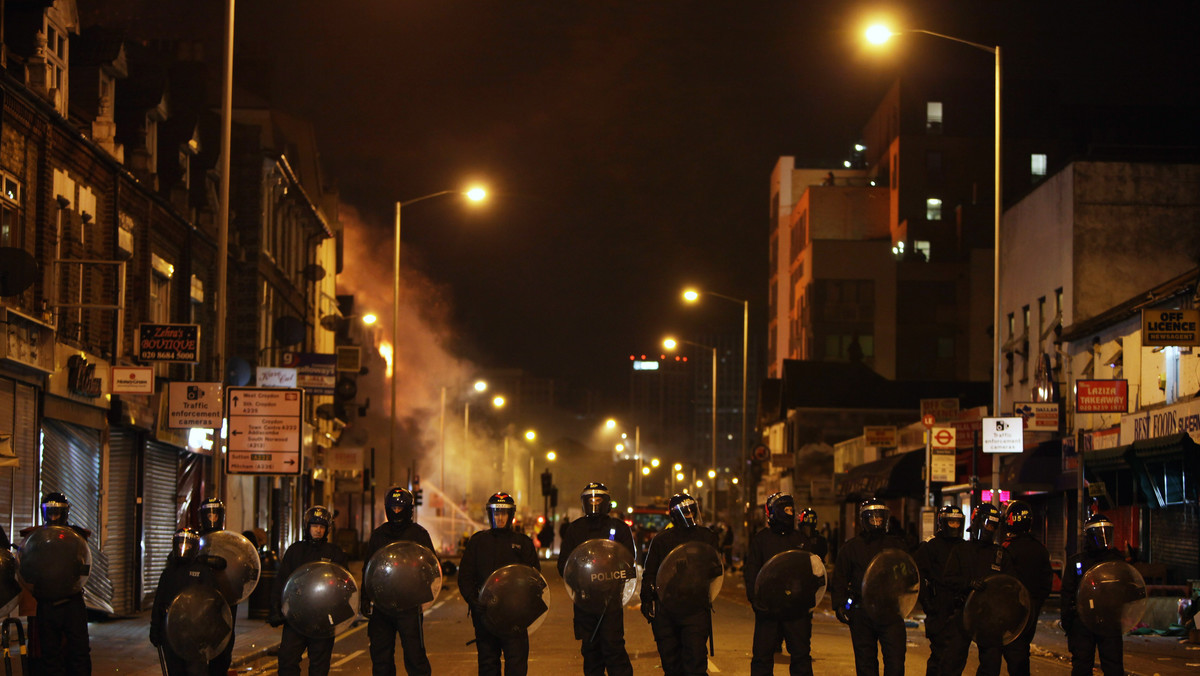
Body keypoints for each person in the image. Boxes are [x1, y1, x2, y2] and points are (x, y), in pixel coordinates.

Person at [458, 492, 541, 676]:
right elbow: (465, 576)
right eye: (496, 513)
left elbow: (535, 579)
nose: (500, 517)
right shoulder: (478, 542)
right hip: (485, 615)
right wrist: (474, 601)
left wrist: (523, 605)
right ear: (490, 514)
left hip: (515, 617)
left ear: (511, 515)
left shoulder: (523, 543)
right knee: (488, 665)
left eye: (504, 513)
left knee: (517, 666)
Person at [558, 482, 635, 676]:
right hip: (585, 599)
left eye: (598, 500)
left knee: (613, 647)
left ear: (606, 502)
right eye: (590, 500)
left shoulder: (619, 528)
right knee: (591, 650)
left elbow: (628, 562)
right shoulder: (575, 530)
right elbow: (564, 565)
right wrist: (580, 579)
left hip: (610, 599)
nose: (594, 504)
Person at [640, 493, 721, 676]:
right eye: (685, 511)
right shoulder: (662, 540)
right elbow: (651, 572)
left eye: (692, 510)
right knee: (671, 662)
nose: (690, 515)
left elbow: (716, 568)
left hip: (695, 606)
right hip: (667, 606)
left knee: (695, 660)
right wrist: (647, 597)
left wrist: (696, 569)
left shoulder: (707, 537)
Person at [744, 492, 821, 676]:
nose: (789, 513)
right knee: (762, 657)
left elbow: (812, 572)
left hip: (796, 609)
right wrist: (756, 601)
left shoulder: (800, 539)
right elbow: (751, 572)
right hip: (768, 609)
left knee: (801, 657)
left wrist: (808, 600)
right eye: (785, 509)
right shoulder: (761, 540)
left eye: (791, 509)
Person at [830, 498, 909, 676]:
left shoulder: (896, 545)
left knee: (895, 662)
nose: (877, 522)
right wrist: (840, 605)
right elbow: (840, 578)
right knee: (866, 664)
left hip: (891, 610)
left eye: (880, 518)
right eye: (872, 518)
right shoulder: (851, 548)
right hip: (861, 610)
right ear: (864, 520)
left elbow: (907, 573)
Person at [362, 487, 434, 676]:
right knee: (381, 658)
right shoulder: (379, 535)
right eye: (393, 508)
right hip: (382, 604)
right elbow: (368, 568)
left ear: (409, 509)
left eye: (400, 508)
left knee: (415, 656)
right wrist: (364, 597)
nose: (396, 512)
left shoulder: (419, 535)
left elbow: (431, 566)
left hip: (409, 605)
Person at [270, 506, 349, 676]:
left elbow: (345, 585)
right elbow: (282, 580)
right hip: (296, 616)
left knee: (319, 667)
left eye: (321, 527)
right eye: (314, 526)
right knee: (287, 661)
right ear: (307, 527)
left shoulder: (334, 553)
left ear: (327, 529)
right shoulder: (295, 551)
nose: (318, 530)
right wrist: (275, 607)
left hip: (322, 619)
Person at [21, 492, 93, 675]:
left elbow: (84, 565)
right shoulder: (36, 538)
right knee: (49, 655)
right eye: (50, 512)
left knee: (79, 652)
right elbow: (26, 568)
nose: (53, 516)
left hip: (72, 601)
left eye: (57, 512)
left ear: (65, 513)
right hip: (46, 602)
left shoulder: (76, 537)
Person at [942, 503, 1015, 676]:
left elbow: (1010, 584)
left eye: (993, 525)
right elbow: (949, 578)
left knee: (991, 663)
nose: (989, 529)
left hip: (989, 617)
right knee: (952, 660)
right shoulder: (961, 549)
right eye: (987, 524)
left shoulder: (1000, 554)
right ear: (977, 522)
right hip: (963, 612)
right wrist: (968, 583)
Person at [149, 528, 226, 675]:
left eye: (188, 545)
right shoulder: (169, 573)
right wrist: (155, 627)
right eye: (179, 545)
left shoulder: (203, 572)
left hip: (195, 634)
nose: (183, 549)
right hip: (171, 631)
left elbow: (214, 602)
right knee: (175, 670)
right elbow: (159, 601)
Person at [1061, 514, 1127, 676]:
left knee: (1112, 666)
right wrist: (1069, 621)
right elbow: (1068, 595)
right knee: (1084, 665)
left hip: (1107, 620)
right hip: (1085, 620)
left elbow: (1125, 590)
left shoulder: (1117, 561)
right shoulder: (1079, 562)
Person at [1000, 501, 1053, 676]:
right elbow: (1047, 582)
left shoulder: (1007, 548)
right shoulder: (1040, 549)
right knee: (1022, 649)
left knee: (1014, 651)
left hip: (1013, 608)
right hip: (1033, 608)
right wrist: (1037, 602)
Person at [912, 505, 965, 676]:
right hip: (939, 607)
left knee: (957, 655)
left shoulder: (965, 548)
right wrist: (927, 601)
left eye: (958, 523)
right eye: (951, 522)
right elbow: (916, 573)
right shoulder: (931, 546)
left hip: (959, 607)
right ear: (943, 522)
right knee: (940, 654)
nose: (954, 526)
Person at [196, 497, 238, 676]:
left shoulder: (229, 542)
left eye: (216, 513)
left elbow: (238, 567)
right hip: (198, 600)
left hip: (225, 600)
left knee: (223, 647)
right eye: (209, 513)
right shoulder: (195, 539)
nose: (212, 517)